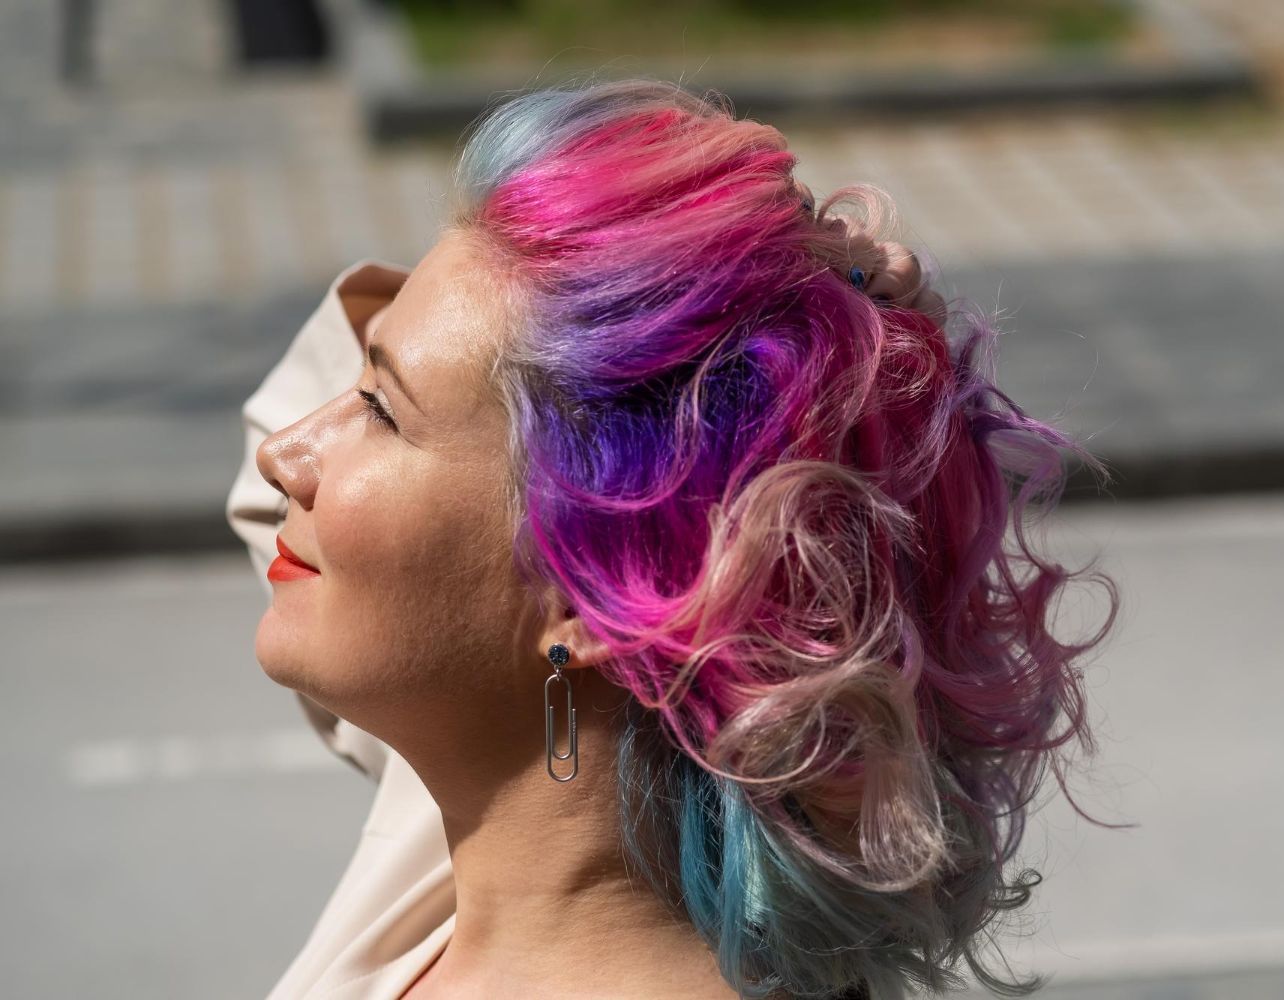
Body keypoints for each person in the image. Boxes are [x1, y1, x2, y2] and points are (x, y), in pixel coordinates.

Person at [226, 77, 1119, 1000]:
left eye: (378, 410)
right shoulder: (487, 800)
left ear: (589, 592)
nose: (288, 456)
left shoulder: (462, 831)